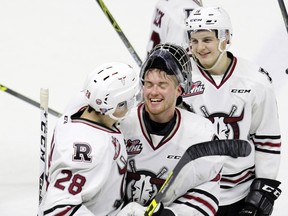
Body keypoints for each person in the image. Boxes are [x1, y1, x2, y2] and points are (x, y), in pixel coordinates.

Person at [183, 6, 282, 216]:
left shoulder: (256, 81)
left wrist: (262, 193)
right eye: (194, 40)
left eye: (207, 39)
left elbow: (267, 140)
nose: (200, 47)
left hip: (240, 194)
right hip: (192, 194)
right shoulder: (180, 78)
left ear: (225, 37)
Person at [118, 43, 234, 216]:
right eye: (149, 84)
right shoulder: (121, 123)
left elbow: (207, 197)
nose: (153, 92)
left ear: (179, 89)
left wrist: (171, 214)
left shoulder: (201, 135)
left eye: (162, 85)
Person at [38, 62, 140, 216]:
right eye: (130, 101)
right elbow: (57, 209)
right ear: (116, 106)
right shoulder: (92, 149)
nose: (131, 106)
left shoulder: (78, 105)